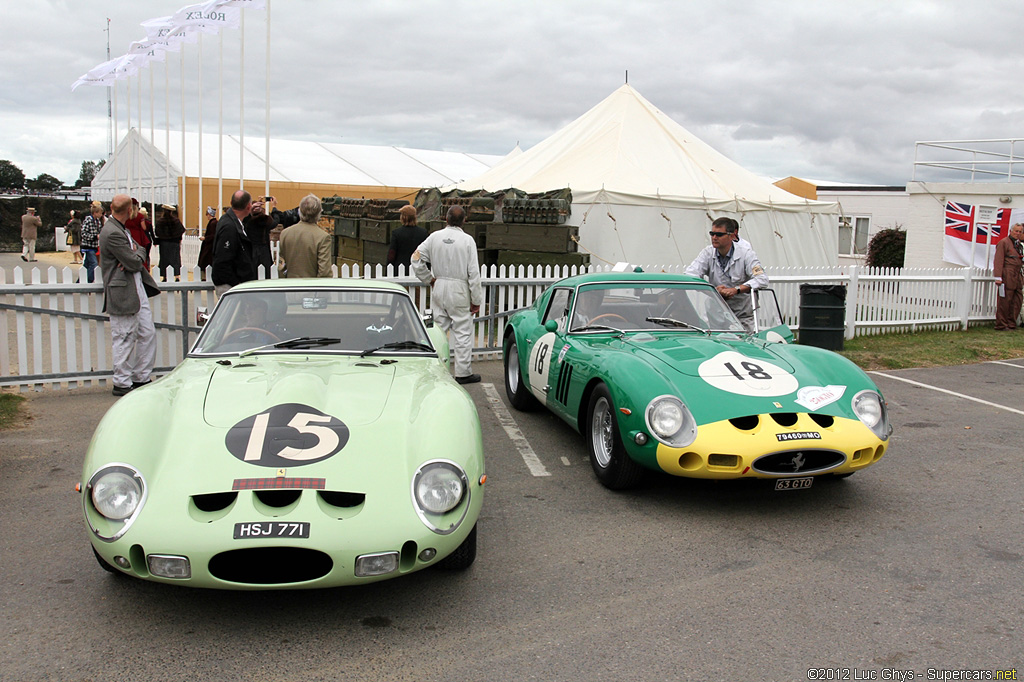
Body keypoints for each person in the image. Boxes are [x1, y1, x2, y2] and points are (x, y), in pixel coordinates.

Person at [411, 205, 484, 384]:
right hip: (459, 289)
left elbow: (416, 258)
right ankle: (463, 372)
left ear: (446, 219)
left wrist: (429, 278)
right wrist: (476, 299)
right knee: (462, 332)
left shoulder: (434, 237)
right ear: (464, 220)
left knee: (438, 330)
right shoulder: (467, 240)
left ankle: (437, 369)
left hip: (440, 286)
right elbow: (473, 273)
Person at [98, 194, 161, 397]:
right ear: (129, 211)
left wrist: (135, 254)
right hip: (123, 289)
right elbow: (135, 261)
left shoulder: (120, 228)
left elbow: (139, 250)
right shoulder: (113, 232)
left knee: (146, 333)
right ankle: (122, 381)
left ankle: (140, 376)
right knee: (124, 336)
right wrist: (134, 255)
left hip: (134, 287)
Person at [685, 217, 769, 332]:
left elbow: (762, 279)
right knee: (719, 345)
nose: (714, 237)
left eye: (719, 234)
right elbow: (690, 275)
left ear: (731, 236)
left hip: (742, 313)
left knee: (744, 346)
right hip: (716, 313)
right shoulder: (707, 253)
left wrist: (736, 290)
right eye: (712, 233)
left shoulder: (746, 254)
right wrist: (713, 290)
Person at [212, 190, 256, 297]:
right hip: (231, 286)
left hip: (233, 284)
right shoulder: (229, 227)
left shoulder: (229, 221)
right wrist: (236, 283)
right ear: (249, 207)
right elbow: (222, 261)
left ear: (231, 203)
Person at [277, 194, 333, 278]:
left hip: (290, 286)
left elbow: (281, 267)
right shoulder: (323, 237)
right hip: (311, 288)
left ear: (299, 211)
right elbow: (324, 271)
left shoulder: (285, 233)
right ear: (319, 213)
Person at [993, 222, 1024, 330]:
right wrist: (998, 277)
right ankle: (1001, 324)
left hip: (1017, 276)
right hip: (1007, 275)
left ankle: (1011, 323)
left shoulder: (1019, 245)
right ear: (1011, 231)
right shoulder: (1004, 243)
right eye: (1016, 231)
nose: (1018, 233)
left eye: (1020, 232)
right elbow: (998, 259)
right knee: (1005, 301)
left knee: (1017, 300)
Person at [387, 204, 428, 271]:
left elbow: (391, 255)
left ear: (403, 217)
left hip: (400, 269)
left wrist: (388, 269)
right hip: (417, 269)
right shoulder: (423, 233)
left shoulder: (396, 233)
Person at [246, 195, 278, 275]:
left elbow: (245, 217)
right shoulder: (265, 221)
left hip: (252, 250)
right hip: (264, 251)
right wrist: (274, 207)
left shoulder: (248, 222)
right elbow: (276, 221)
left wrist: (252, 206)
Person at [154, 204, 185, 281]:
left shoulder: (160, 221)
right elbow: (181, 231)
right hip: (174, 243)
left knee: (164, 259)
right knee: (175, 259)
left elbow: (157, 232)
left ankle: (165, 276)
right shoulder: (176, 221)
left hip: (164, 243)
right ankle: (177, 276)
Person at [124, 199, 153, 270]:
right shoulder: (140, 216)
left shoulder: (126, 215)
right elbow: (144, 227)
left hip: (128, 235)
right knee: (140, 251)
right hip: (138, 236)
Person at [80, 202, 103, 283]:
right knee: (94, 264)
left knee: (86, 265)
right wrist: (94, 237)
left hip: (94, 246)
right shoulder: (88, 220)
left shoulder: (98, 222)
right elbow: (83, 233)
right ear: (95, 213)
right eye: (100, 213)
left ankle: (80, 281)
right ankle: (88, 281)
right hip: (88, 246)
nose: (101, 215)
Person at [196, 206, 217, 279]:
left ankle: (205, 276)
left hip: (209, 246)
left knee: (205, 261)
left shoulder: (213, 223)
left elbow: (213, 235)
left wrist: (205, 238)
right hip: (209, 245)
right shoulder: (213, 223)